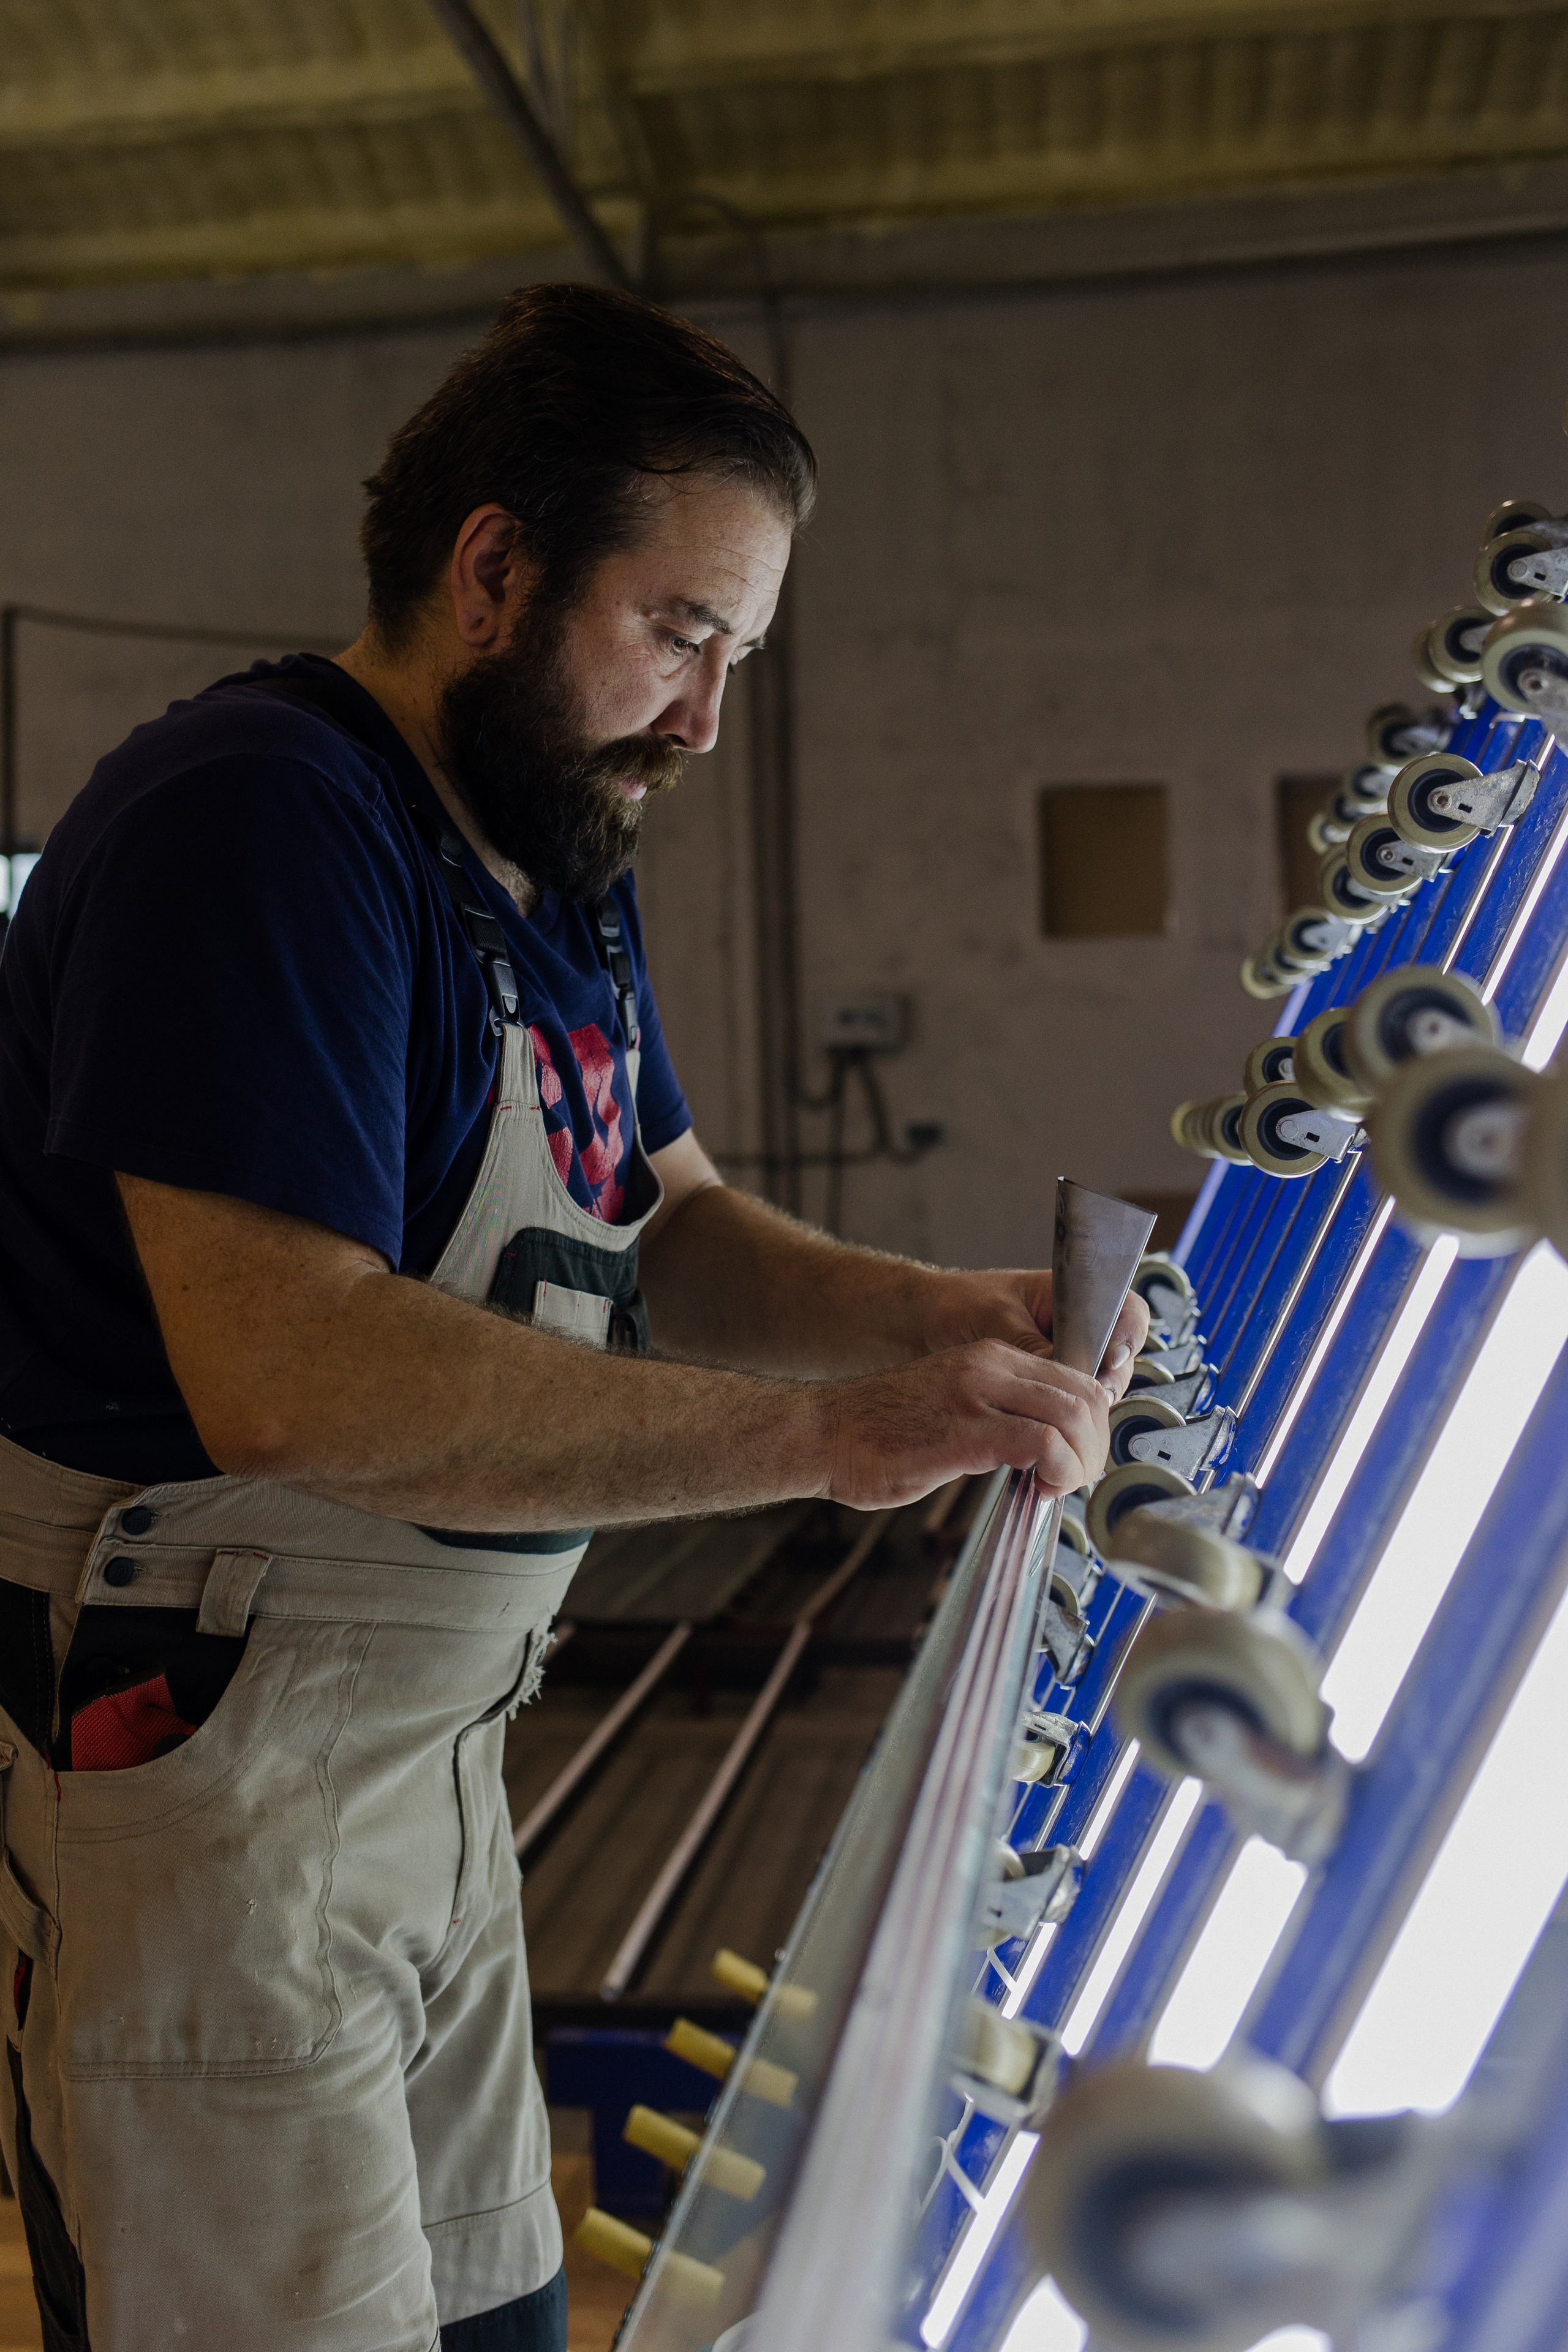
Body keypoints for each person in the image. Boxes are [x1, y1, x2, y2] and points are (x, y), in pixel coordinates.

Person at [0, 285, 1147, 2352]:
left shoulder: (549, 849)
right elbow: (286, 1372)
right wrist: (829, 1439)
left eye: (740, 654)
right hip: (208, 1772)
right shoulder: (260, 823)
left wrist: (944, 1319)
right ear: (496, 566)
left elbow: (665, 1217)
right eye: (683, 631)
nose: (707, 716)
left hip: (429, 1762)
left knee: (501, 2323)